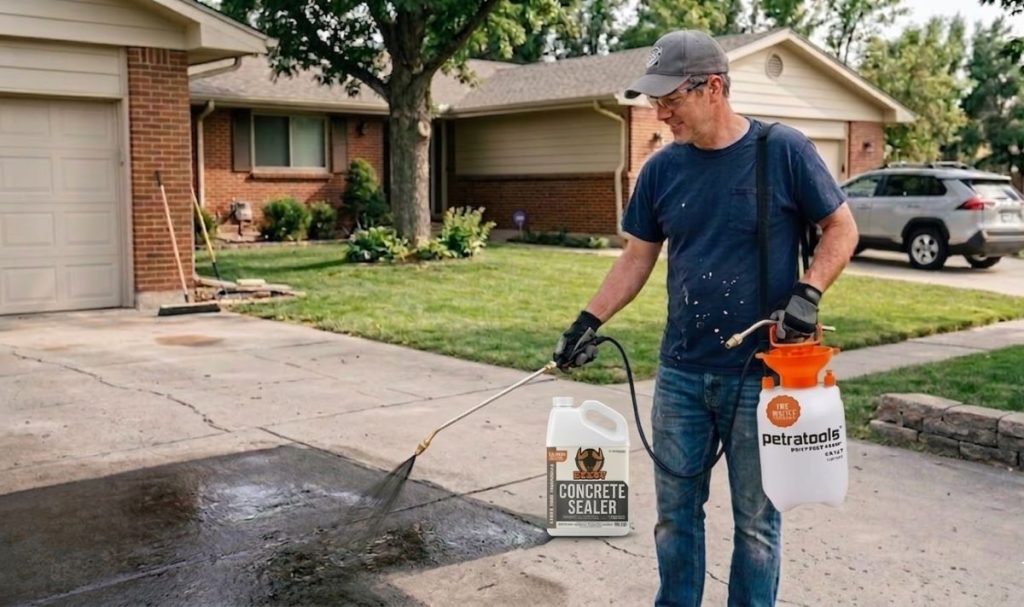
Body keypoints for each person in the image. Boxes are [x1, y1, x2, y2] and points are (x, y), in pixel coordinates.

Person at [552, 30, 859, 607]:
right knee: (674, 520)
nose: (660, 113)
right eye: (655, 101)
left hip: (759, 377)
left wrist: (808, 292)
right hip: (682, 376)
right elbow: (637, 258)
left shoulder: (782, 151)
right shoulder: (663, 171)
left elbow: (842, 228)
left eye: (670, 100)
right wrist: (586, 321)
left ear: (713, 87)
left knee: (757, 527)